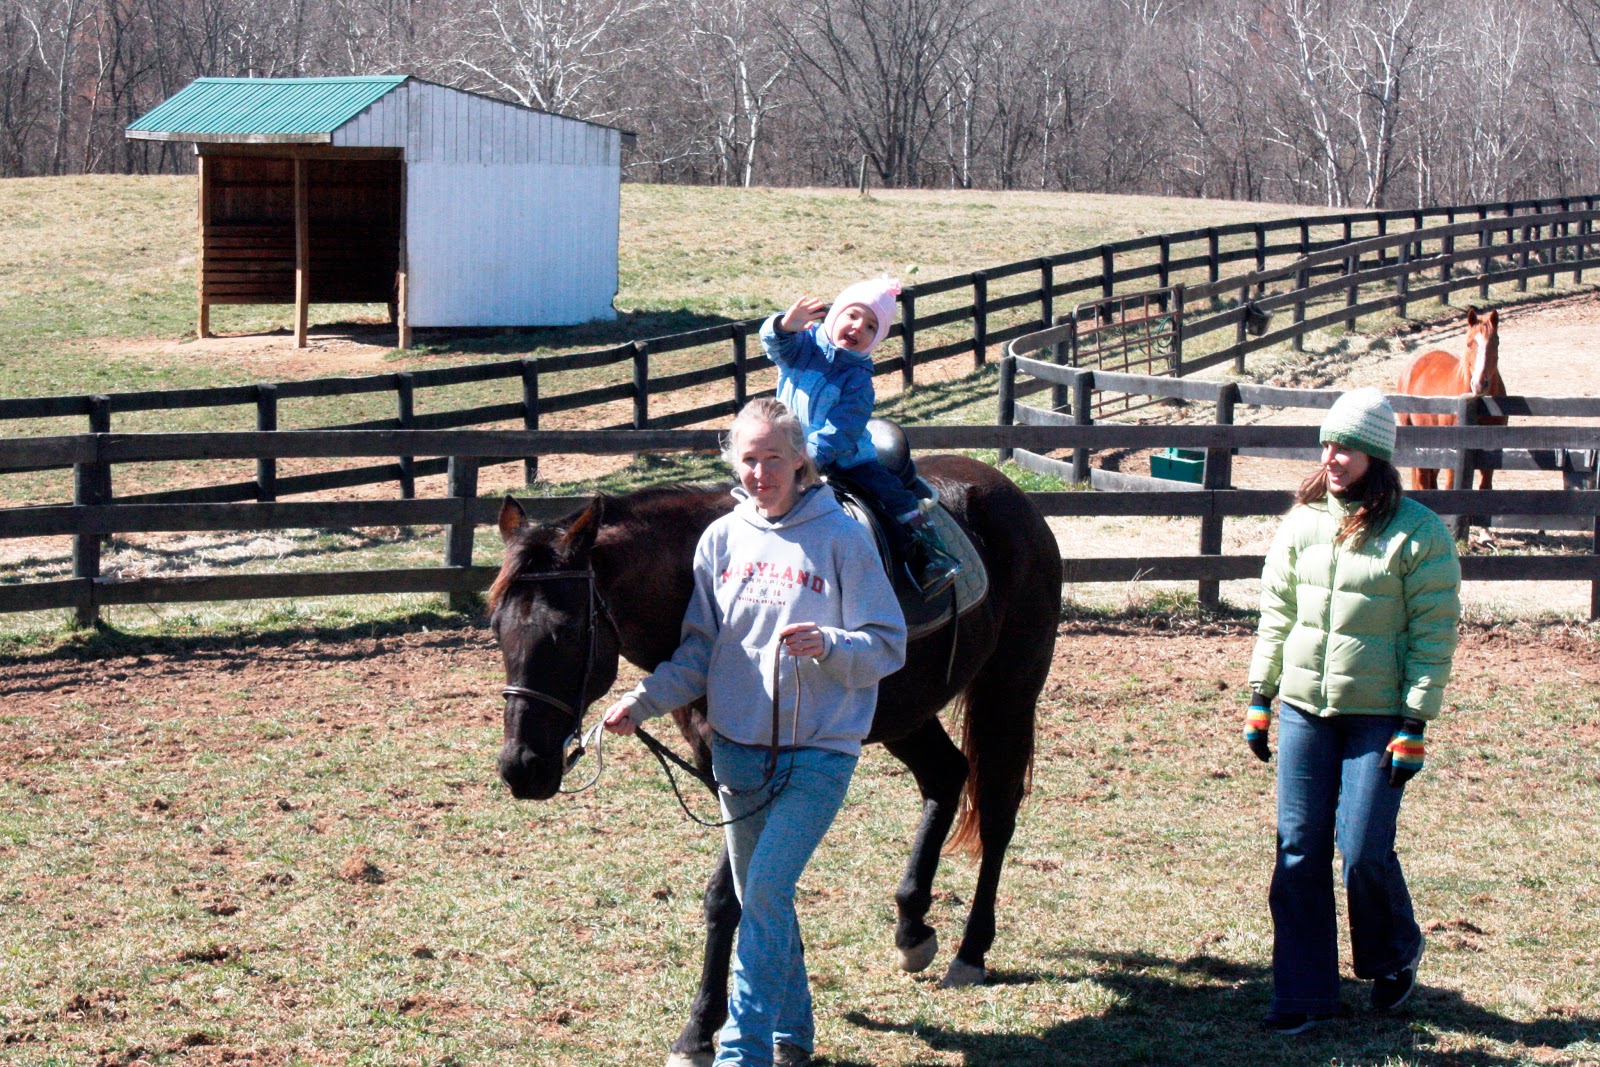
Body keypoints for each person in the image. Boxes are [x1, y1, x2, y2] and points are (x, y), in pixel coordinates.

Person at [603, 397, 908, 1067]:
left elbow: (888, 644)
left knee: (764, 891)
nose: (761, 471)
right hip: (738, 754)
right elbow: (698, 650)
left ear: (801, 459)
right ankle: (794, 1033)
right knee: (765, 898)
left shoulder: (842, 538)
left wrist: (830, 642)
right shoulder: (721, 540)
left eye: (774, 457)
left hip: (820, 754)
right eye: (749, 458)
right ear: (733, 463)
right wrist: (643, 702)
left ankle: (744, 1051)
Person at [1245, 387, 1461, 1035]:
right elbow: (1276, 612)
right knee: (1298, 851)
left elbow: (1433, 635)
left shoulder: (1418, 533)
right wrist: (1261, 694)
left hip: (1379, 717)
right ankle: (1304, 994)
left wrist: (1415, 723)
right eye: (1329, 443)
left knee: (1363, 849)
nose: (1333, 456)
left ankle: (1394, 950)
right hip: (1306, 710)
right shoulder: (1302, 520)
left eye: (1348, 446)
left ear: (1376, 454)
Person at [759, 276, 961, 598]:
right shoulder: (803, 348)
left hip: (844, 457)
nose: (858, 328)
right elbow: (776, 345)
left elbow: (841, 431)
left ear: (876, 338)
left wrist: (805, 459)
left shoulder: (858, 379)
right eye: (852, 316)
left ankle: (926, 553)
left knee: (888, 494)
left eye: (870, 327)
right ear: (835, 314)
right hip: (787, 451)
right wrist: (783, 326)